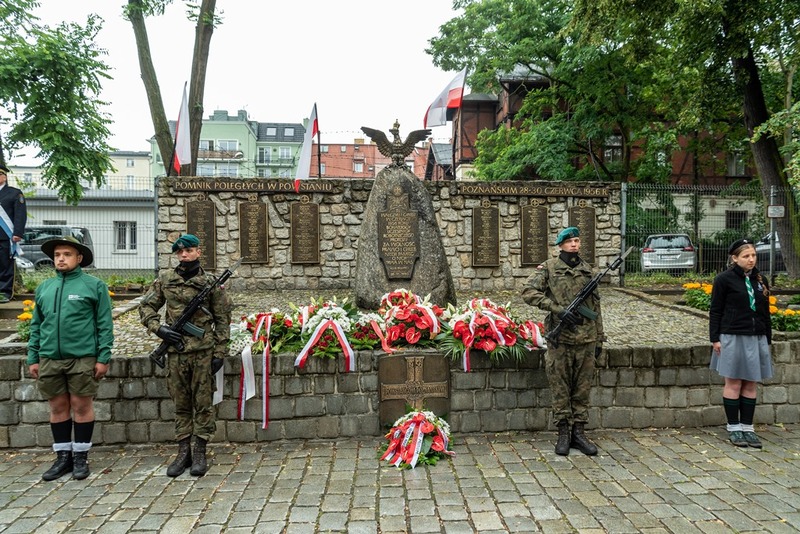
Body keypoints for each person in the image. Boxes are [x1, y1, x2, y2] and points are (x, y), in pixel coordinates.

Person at [139, 234, 232, 477]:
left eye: (189, 250)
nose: (184, 255)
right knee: (181, 404)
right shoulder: (165, 280)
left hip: (202, 352)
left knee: (202, 404)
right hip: (176, 352)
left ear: (198, 252)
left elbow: (223, 319)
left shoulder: (210, 283)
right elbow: (146, 307)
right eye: (180, 252)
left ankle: (200, 450)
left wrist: (220, 352)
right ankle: (183, 451)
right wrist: (160, 329)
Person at [27, 237, 113, 481]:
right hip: (50, 358)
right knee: (57, 406)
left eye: (66, 254)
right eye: (57, 255)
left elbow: (104, 325)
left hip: (82, 357)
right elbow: (36, 325)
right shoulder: (45, 287)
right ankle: (62, 457)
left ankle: (81, 457)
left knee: (81, 405)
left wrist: (103, 357)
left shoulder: (93, 286)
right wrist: (33, 357)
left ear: (79, 258)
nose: (61, 259)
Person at [522, 226, 605, 456]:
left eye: (578, 241)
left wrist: (600, 338)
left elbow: (595, 307)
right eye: (570, 242)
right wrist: (557, 309)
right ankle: (563, 433)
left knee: (582, 388)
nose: (575, 245)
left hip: (586, 338)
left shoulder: (588, 271)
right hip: (561, 340)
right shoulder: (549, 268)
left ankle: (579, 432)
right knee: (560, 387)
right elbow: (528, 291)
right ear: (560, 245)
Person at [709, 238, 773, 449]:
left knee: (751, 382)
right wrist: (715, 338)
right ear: (734, 258)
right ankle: (734, 428)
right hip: (732, 336)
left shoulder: (761, 280)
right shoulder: (724, 280)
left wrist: (767, 339)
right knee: (734, 382)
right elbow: (716, 310)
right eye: (746, 256)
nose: (751, 259)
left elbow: (765, 312)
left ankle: (748, 427)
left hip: (756, 337)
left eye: (753, 255)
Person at [0, 164, 27, 303]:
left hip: (5, 236)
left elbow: (20, 215)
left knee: (5, 264)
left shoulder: (14, 193)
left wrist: (18, 232)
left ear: (4, 177)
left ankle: (4, 292)